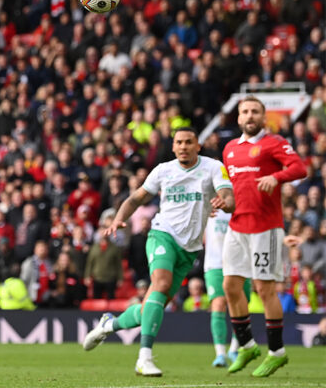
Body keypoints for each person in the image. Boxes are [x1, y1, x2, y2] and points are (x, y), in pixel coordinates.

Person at [83, 127, 235, 377]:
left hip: (190, 248)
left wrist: (225, 202)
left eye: (189, 142)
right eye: (179, 142)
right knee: (161, 285)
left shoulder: (212, 167)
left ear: (198, 146)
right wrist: (118, 219)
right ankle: (144, 357)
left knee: (149, 309)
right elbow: (135, 199)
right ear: (173, 147)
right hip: (162, 234)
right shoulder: (163, 170)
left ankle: (108, 325)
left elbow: (228, 197)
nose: (184, 146)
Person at [222, 96, 306, 376]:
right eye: (244, 111)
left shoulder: (274, 142)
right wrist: (223, 203)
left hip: (266, 227)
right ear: (238, 117)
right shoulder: (230, 149)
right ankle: (246, 346)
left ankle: (276, 352)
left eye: (255, 111)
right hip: (236, 226)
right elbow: (236, 189)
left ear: (263, 116)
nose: (249, 115)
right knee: (231, 287)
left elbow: (299, 168)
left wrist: (277, 178)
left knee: (264, 288)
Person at [203, 209, 251, 367]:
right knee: (218, 303)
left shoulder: (241, 206)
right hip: (215, 263)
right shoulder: (210, 207)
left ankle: (234, 348)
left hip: (240, 262)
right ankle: (220, 354)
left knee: (239, 305)